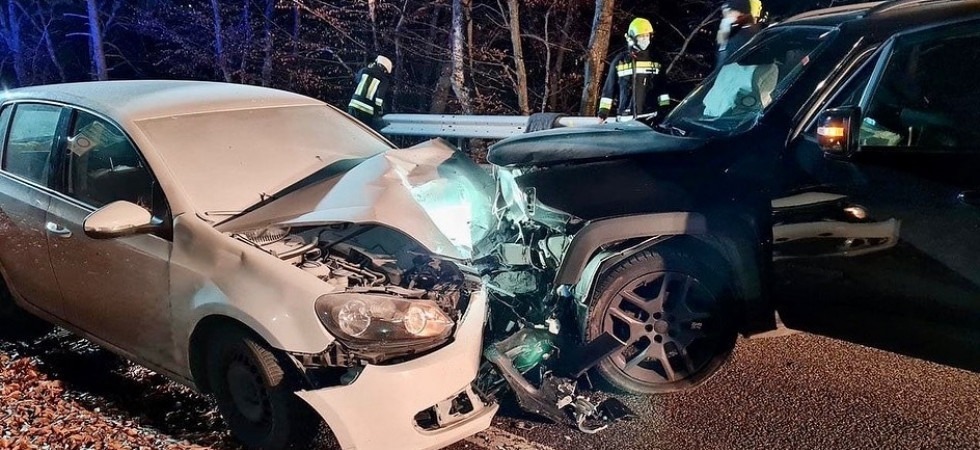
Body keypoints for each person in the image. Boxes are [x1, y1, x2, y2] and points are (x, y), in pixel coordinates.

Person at [597, 18, 670, 121]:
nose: (645, 39)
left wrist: (665, 112)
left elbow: (663, 90)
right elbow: (608, 91)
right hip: (625, 118)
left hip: (650, 118)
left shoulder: (656, 61)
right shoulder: (620, 61)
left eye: (647, 35)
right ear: (631, 38)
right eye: (641, 36)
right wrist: (603, 113)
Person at [347, 55, 392, 129]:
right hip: (367, 110)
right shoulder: (384, 80)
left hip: (353, 105)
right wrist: (378, 112)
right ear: (384, 69)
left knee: (350, 129)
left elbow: (357, 81)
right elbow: (379, 98)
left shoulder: (364, 70)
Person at [715, 0, 762, 70]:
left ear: (741, 13)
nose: (725, 15)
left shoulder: (748, 34)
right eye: (724, 11)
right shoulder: (730, 32)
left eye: (729, 11)